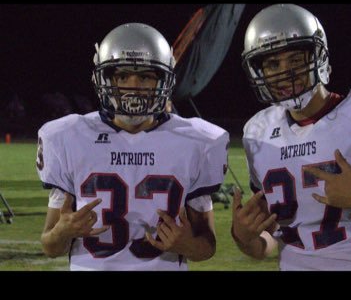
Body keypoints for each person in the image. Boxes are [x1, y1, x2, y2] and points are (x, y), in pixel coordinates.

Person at [37, 23, 229, 271]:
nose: (134, 86)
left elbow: (207, 246)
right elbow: (50, 247)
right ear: (105, 79)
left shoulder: (196, 141)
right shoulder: (69, 136)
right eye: (122, 76)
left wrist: (188, 245)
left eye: (145, 77)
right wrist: (61, 233)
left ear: (163, 81)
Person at [231, 4, 351, 271]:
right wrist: (244, 237)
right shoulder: (258, 132)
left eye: (296, 59)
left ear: (318, 56)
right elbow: (269, 241)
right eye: (273, 64)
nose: (286, 72)